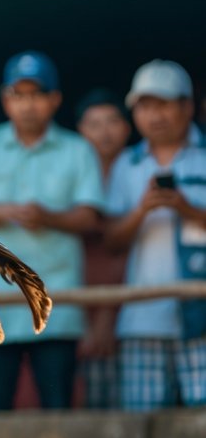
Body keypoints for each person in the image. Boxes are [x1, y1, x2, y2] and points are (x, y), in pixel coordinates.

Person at [0, 52, 103, 410]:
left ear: (54, 100)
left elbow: (89, 218)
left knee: (58, 408)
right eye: (18, 95)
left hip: (58, 301)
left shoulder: (77, 149)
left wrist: (48, 217)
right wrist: (11, 211)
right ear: (5, 99)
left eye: (36, 95)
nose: (27, 104)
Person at [105, 60, 206, 411]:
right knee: (141, 424)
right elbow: (111, 241)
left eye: (163, 104)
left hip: (202, 313)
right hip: (142, 316)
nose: (154, 115)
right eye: (145, 106)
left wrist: (188, 208)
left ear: (187, 106)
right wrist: (141, 211)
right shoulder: (126, 164)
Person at [76, 88, 133, 409]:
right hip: (76, 301)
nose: (104, 132)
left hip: (130, 299)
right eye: (94, 124)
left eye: (112, 121)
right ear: (80, 131)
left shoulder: (139, 168)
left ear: (127, 127)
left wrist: (107, 313)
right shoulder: (70, 171)